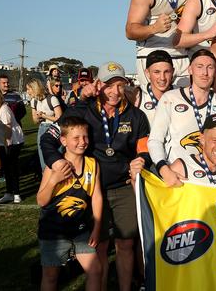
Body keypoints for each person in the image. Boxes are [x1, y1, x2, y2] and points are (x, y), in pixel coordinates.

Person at [40, 61, 151, 291]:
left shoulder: (136, 115)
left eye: (120, 85)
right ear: (98, 85)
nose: (115, 91)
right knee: (98, 246)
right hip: (92, 190)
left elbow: (144, 149)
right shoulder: (83, 109)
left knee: (126, 243)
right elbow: (48, 139)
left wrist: (142, 161)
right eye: (109, 85)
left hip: (122, 187)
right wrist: (56, 162)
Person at [147, 50, 216, 169]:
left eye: (210, 67)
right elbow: (155, 140)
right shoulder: (171, 98)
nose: (205, 73)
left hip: (210, 177)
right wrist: (163, 169)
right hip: (178, 175)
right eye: (199, 67)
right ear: (190, 69)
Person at [36, 116, 102, 291]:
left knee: (95, 270)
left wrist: (96, 228)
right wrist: (54, 181)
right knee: (50, 277)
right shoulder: (54, 166)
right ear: (63, 141)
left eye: (85, 137)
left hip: (81, 231)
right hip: (53, 232)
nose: (82, 142)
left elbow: (96, 196)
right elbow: (41, 201)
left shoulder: (92, 163)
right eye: (76, 138)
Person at [0, 88, 25, 204]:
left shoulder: (4, 109)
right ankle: (8, 193)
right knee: (7, 168)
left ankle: (16, 193)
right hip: (2, 141)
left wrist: (8, 143)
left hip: (13, 141)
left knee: (12, 167)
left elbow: (8, 128)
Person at [26, 79, 63, 171]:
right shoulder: (34, 101)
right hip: (42, 128)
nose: (27, 92)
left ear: (35, 88)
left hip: (54, 129)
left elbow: (60, 118)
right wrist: (39, 117)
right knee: (43, 159)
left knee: (57, 156)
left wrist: (44, 115)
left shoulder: (52, 99)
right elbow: (35, 120)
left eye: (28, 89)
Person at [132, 50, 174, 124]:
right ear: (147, 73)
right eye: (157, 72)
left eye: (166, 72)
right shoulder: (137, 95)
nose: (162, 78)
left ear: (173, 71)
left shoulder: (181, 94)